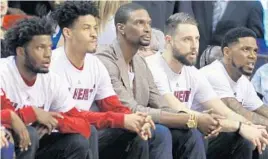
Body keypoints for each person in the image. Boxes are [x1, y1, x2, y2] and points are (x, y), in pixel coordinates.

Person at [1, 16, 152, 159]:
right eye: (40, 48)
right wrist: (31, 114)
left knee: (78, 141)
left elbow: (83, 125)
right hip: (8, 139)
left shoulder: (51, 79)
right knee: (30, 133)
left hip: (39, 141)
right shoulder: (4, 72)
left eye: (49, 47)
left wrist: (54, 121)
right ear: (20, 52)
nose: (48, 54)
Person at [96, 3, 217, 159]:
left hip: (138, 126)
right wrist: (194, 119)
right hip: (107, 132)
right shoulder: (105, 60)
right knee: (159, 132)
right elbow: (131, 110)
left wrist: (196, 121)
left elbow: (161, 104)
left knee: (192, 133)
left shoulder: (140, 62)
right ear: (121, 28)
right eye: (140, 23)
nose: (147, 29)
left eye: (149, 23)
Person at [145, 12, 268, 158]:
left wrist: (251, 127)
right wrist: (238, 126)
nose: (194, 46)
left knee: (244, 140)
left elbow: (224, 111)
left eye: (197, 39)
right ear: (169, 41)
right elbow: (178, 110)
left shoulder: (192, 73)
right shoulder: (153, 67)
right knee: (193, 134)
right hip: (158, 132)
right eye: (187, 39)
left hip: (187, 130)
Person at [51, 1, 157, 159]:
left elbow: (113, 105)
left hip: (88, 135)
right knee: (86, 132)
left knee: (136, 132)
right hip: (55, 137)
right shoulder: (53, 65)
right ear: (68, 33)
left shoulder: (95, 64)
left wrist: (135, 119)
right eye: (87, 28)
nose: (94, 34)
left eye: (95, 27)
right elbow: (70, 116)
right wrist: (121, 119)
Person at [200, 27, 268, 158]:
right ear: (227, 52)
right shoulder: (214, 74)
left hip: (228, 132)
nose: (253, 56)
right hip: (202, 136)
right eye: (245, 49)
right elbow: (238, 113)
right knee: (247, 139)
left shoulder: (243, 81)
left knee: (260, 141)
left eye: (255, 51)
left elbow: (261, 109)